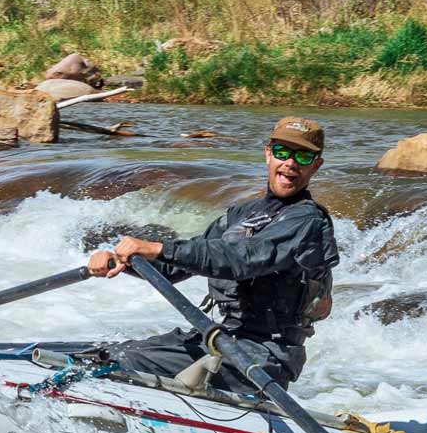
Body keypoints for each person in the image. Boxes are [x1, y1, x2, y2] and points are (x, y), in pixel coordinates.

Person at [86, 116, 340, 396]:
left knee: (120, 362)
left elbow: (240, 259)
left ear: (316, 165)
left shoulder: (307, 221)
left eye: (303, 156)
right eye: (283, 152)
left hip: (262, 358)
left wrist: (157, 247)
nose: (290, 164)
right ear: (268, 154)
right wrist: (123, 261)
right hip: (220, 339)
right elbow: (174, 268)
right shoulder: (243, 215)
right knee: (101, 352)